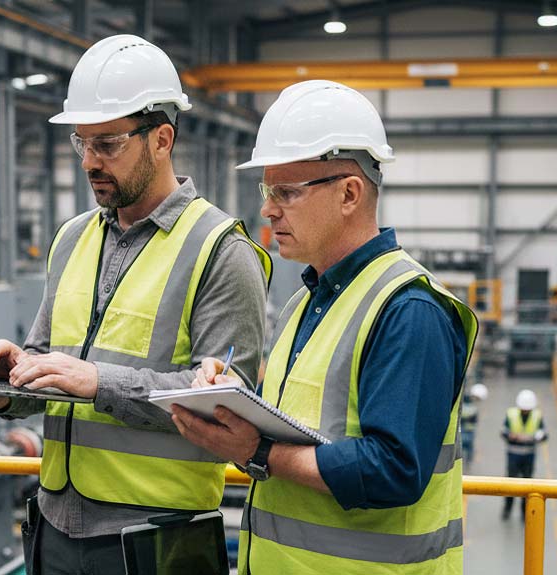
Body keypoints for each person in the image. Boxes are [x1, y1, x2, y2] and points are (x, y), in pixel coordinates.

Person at [0, 34, 271, 575]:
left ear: (162, 138)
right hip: (55, 524)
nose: (90, 161)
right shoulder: (71, 238)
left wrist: (99, 381)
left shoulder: (220, 250)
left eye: (108, 144)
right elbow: (44, 366)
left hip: (155, 535)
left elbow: (228, 405)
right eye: (81, 143)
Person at [169, 80, 478, 574]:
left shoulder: (408, 310)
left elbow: (394, 471)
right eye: (267, 191)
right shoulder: (305, 302)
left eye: (286, 192)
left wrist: (258, 449)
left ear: (349, 194)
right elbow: (306, 427)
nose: (268, 209)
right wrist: (234, 400)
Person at [501, 388, 547, 519]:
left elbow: (544, 434)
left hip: (529, 456)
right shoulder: (511, 414)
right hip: (513, 455)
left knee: (527, 485)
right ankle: (507, 509)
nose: (526, 411)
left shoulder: (537, 416)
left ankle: (524, 512)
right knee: (510, 484)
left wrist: (534, 438)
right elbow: (503, 431)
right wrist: (512, 436)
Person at [461, 383, 489, 467]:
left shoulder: (471, 403)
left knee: (469, 447)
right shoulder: (465, 402)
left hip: (469, 430)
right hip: (463, 430)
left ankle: (468, 461)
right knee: (463, 446)